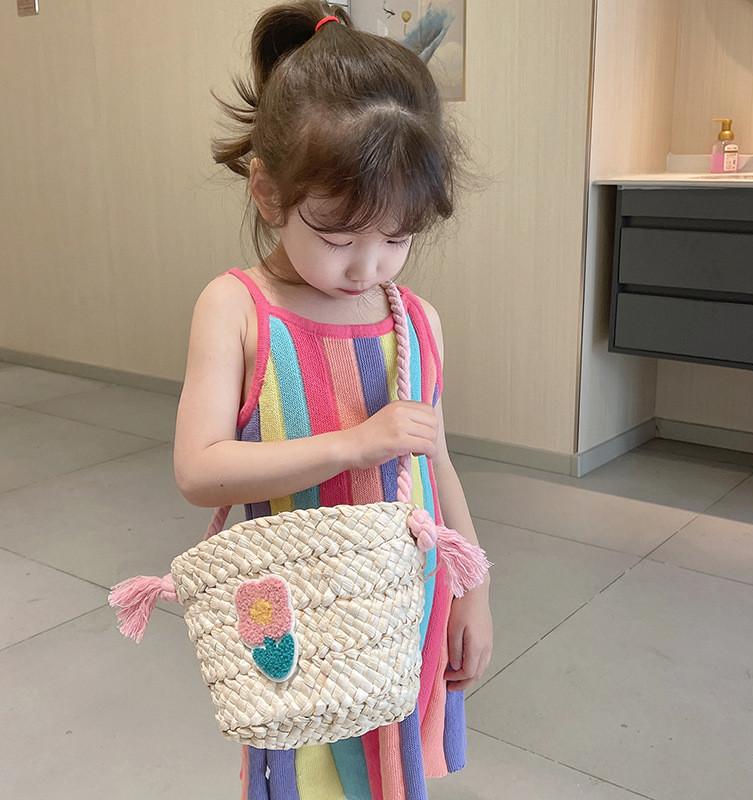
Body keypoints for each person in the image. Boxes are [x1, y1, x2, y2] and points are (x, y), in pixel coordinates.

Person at [172, 2, 493, 797]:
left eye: (398, 237)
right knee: (307, 771)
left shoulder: (416, 323)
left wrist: (474, 589)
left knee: (391, 771)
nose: (369, 266)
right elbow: (199, 470)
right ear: (268, 193)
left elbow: (436, 468)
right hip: (297, 616)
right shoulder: (238, 309)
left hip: (401, 610)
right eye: (340, 238)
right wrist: (356, 443)